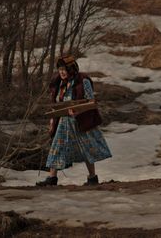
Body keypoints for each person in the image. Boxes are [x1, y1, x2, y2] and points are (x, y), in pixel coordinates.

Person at [36, 55, 112, 186]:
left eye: (64, 69)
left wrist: (77, 110)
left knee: (86, 148)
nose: (62, 72)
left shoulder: (82, 81)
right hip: (64, 122)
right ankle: (52, 178)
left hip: (80, 121)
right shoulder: (58, 82)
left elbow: (90, 101)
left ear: (71, 68)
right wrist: (52, 121)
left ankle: (92, 178)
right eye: (60, 69)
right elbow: (56, 104)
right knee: (57, 147)